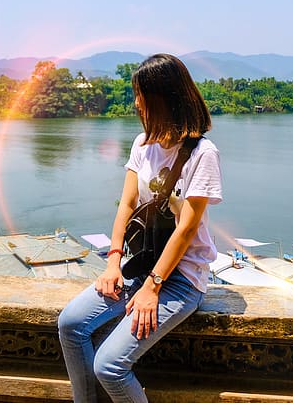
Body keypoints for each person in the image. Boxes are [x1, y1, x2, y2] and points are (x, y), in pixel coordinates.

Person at [58, 53, 223, 402]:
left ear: (163, 98)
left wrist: (153, 287)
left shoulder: (202, 154)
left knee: (110, 366)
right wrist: (113, 261)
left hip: (180, 278)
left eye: (141, 95)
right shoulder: (142, 144)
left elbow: (186, 229)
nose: (136, 102)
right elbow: (127, 204)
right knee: (70, 324)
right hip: (139, 264)